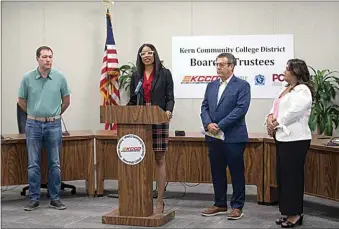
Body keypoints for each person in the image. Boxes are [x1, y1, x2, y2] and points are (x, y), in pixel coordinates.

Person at [18, 46, 71, 211]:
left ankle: (55, 198)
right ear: (37, 59)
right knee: (33, 164)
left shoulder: (60, 77)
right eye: (44, 57)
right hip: (33, 124)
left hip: (54, 125)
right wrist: (35, 114)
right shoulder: (27, 78)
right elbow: (21, 101)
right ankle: (33, 199)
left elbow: (66, 100)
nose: (48, 60)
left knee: (54, 163)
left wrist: (53, 115)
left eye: (50, 57)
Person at [200, 53, 251, 220]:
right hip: (213, 137)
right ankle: (220, 203)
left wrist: (219, 125)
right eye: (217, 64)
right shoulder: (211, 85)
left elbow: (240, 110)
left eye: (222, 64)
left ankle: (237, 206)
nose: (218, 67)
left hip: (234, 137)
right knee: (217, 171)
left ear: (231, 66)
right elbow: (205, 106)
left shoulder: (243, 85)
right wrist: (208, 124)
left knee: (236, 172)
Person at [265, 59, 314, 228]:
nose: (284, 72)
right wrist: (270, 119)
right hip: (283, 138)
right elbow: (274, 108)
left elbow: (294, 112)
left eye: (287, 69)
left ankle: (296, 214)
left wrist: (276, 122)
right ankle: (287, 211)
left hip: (296, 140)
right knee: (283, 177)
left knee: (293, 178)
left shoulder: (303, 90)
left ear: (296, 72)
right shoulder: (284, 89)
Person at [128, 43, 175, 214]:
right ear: (140, 57)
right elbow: (133, 100)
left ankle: (160, 200)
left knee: (159, 158)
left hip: (159, 119)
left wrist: (169, 111)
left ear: (155, 54)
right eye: (143, 53)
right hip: (140, 120)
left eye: (149, 52)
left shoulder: (164, 73)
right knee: (141, 159)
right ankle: (141, 198)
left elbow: (170, 97)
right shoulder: (136, 75)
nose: (146, 55)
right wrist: (122, 113)